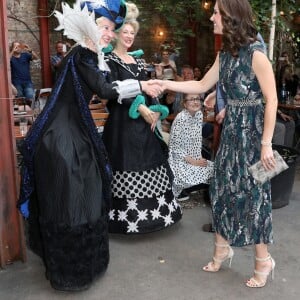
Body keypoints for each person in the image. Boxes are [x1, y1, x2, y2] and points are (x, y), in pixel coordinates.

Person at [17, 0, 162, 291]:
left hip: (73, 131)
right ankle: (71, 271)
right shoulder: (83, 53)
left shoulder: (89, 53)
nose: (109, 33)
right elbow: (107, 90)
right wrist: (143, 86)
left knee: (84, 192)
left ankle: (83, 263)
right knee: (70, 199)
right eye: (104, 27)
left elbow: (105, 84)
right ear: (89, 26)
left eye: (111, 28)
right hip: (63, 136)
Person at [153, 0, 278, 288]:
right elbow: (199, 85)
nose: (211, 17)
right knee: (221, 188)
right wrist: (167, 84)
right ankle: (222, 249)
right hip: (233, 130)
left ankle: (264, 260)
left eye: (216, 13)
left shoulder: (257, 55)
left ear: (231, 16)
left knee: (255, 196)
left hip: (255, 136)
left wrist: (267, 144)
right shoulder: (226, 54)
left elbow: (270, 100)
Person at [103, 2, 182, 234]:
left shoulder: (138, 60)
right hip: (122, 124)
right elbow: (113, 91)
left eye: (132, 33)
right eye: (125, 32)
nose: (129, 36)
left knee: (149, 161)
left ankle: (154, 217)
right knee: (125, 163)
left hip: (145, 123)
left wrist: (155, 108)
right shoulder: (110, 61)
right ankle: (124, 220)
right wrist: (140, 108)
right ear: (116, 34)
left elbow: (146, 88)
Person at [168, 93, 214, 200]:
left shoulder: (199, 115)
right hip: (178, 161)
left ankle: (191, 187)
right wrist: (194, 162)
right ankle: (185, 189)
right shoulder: (181, 118)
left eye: (197, 98)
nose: (196, 102)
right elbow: (175, 148)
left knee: (215, 169)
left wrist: (199, 159)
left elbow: (197, 142)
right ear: (184, 103)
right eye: (192, 99)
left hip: (194, 158)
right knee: (205, 172)